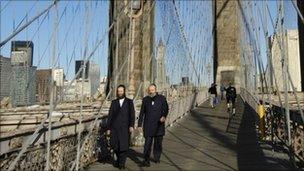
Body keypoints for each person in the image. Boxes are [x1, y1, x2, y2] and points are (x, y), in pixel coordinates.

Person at [138, 84, 169, 167]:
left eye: (152, 90)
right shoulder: (145, 100)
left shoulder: (162, 98)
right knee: (147, 144)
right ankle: (146, 160)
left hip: (159, 125)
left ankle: (157, 157)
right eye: (150, 90)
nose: (151, 91)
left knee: (158, 144)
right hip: (148, 125)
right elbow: (142, 113)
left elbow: (166, 109)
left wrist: (164, 116)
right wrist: (139, 125)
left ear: (155, 90)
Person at [106, 85, 135, 169]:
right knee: (115, 147)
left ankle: (122, 164)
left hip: (125, 128)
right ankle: (119, 161)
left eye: (121, 91)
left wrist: (131, 125)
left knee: (124, 147)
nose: (120, 93)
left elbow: (132, 115)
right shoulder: (114, 102)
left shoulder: (129, 102)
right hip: (115, 128)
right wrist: (108, 128)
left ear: (124, 91)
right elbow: (110, 116)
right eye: (118, 91)